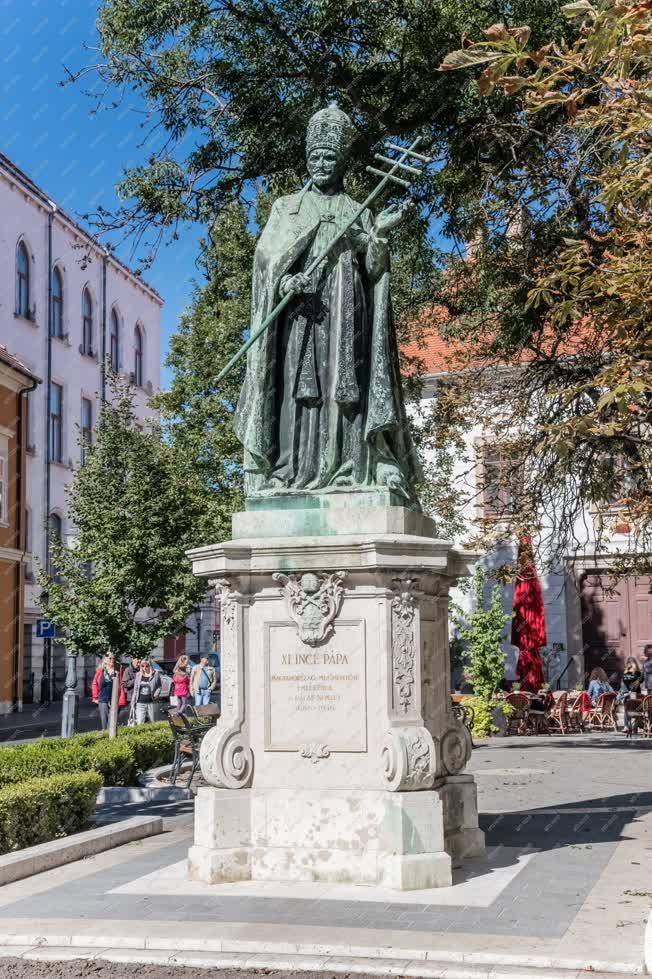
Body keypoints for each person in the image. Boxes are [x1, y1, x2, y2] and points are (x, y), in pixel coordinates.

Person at [233, 102, 421, 500]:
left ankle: (350, 468)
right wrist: (285, 282)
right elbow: (266, 262)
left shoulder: (358, 210)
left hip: (346, 315)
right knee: (299, 393)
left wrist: (379, 236)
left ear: (342, 162)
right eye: (314, 156)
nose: (320, 164)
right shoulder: (288, 207)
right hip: (302, 318)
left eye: (329, 157)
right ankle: (289, 471)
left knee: (345, 388)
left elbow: (374, 271)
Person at [91, 654, 127, 730]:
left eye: (113, 658)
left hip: (115, 699)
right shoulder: (100, 671)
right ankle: (105, 738)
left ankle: (111, 739)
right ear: (105, 660)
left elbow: (122, 684)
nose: (112, 660)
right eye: (110, 658)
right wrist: (95, 697)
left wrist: (121, 699)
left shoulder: (118, 670)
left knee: (112, 722)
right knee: (104, 722)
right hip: (103, 699)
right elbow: (94, 684)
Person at [130, 658, 161, 725]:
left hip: (151, 702)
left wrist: (156, 694)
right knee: (140, 722)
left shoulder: (155, 674)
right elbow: (135, 689)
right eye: (142, 666)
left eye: (147, 666)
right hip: (140, 702)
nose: (144, 668)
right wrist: (133, 702)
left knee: (152, 722)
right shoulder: (138, 674)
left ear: (150, 665)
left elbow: (159, 686)